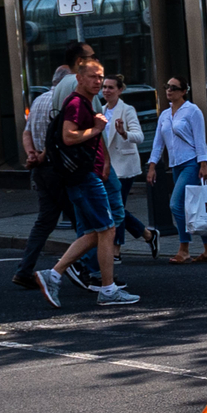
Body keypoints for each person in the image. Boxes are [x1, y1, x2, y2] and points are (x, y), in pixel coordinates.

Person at [38, 60, 138, 306]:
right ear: (79, 79)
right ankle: (105, 289)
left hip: (82, 177)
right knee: (107, 229)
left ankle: (55, 274)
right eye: (93, 77)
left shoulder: (81, 103)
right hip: (83, 178)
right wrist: (96, 128)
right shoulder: (76, 104)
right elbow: (68, 136)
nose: (98, 82)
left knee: (100, 230)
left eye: (100, 77)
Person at [12, 43, 95, 292]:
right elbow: (57, 137)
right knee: (85, 220)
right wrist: (43, 155)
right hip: (59, 170)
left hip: (40, 171)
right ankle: (79, 268)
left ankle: (24, 270)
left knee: (45, 222)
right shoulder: (63, 101)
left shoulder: (37, 101)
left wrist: (31, 155)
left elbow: (27, 133)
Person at [145, 75, 207, 264]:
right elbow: (158, 144)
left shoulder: (192, 111)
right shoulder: (165, 115)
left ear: (184, 91)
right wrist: (152, 166)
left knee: (176, 205)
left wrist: (203, 164)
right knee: (192, 206)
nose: (169, 90)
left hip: (191, 162)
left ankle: (184, 248)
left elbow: (200, 140)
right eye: (167, 86)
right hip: (175, 164)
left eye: (174, 88)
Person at [97, 75, 155, 257]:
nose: (106, 91)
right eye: (104, 87)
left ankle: (116, 250)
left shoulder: (127, 110)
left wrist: (124, 133)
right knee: (116, 207)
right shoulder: (100, 109)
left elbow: (139, 137)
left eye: (111, 88)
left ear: (120, 90)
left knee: (116, 207)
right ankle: (147, 234)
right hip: (106, 167)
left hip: (124, 166)